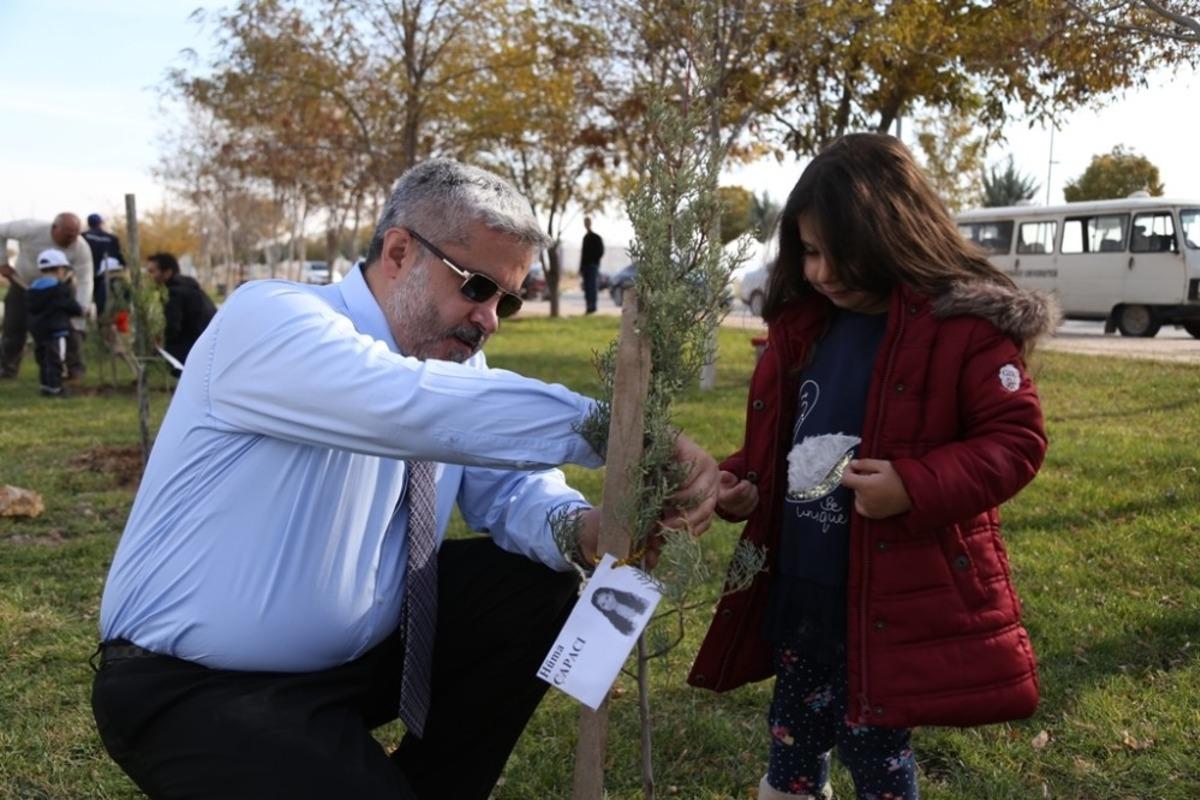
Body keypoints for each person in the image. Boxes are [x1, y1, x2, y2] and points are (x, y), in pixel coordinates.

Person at [92, 159, 719, 800]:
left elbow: (507, 490)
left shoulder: (454, 368)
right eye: (477, 287)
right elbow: (407, 405)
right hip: (197, 687)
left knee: (531, 585)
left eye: (508, 299)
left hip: (360, 665)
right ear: (398, 252)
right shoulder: (271, 320)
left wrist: (584, 529)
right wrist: (620, 430)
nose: (491, 319)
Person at [688, 134, 1055, 800]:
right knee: (793, 733)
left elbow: (1016, 441)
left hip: (887, 595)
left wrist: (913, 486)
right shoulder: (808, 325)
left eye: (839, 253)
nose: (822, 272)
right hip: (803, 586)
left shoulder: (963, 330)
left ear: (893, 235)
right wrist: (746, 482)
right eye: (808, 251)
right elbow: (792, 442)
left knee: (875, 747)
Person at [0, 214, 93, 380]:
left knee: (70, 329)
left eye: (75, 235)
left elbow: (86, 278)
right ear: (55, 228)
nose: (71, 239)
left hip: (60, 288)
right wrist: (2, 262)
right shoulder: (30, 228)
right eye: (67, 235)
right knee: (13, 326)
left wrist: (81, 306)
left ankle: (74, 369)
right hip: (23, 284)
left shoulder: (81, 247)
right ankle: (7, 369)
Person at [145, 252, 216, 374]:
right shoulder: (191, 287)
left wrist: (157, 346)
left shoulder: (174, 293)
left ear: (167, 272)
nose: (149, 276)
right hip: (209, 343)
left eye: (152, 271)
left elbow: (173, 327)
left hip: (192, 347)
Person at [27, 249, 84, 397]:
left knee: (43, 359)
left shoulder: (32, 289)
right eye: (63, 269)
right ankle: (56, 388)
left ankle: (45, 386)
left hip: (38, 331)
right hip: (56, 330)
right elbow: (70, 306)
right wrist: (81, 310)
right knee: (56, 358)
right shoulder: (60, 289)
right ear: (59, 269)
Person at [82, 213, 126, 313]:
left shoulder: (83, 236)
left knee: (86, 300)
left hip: (88, 272)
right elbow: (119, 256)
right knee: (103, 301)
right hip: (106, 274)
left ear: (89, 223)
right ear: (101, 223)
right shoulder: (112, 238)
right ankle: (102, 321)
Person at [580, 216, 604, 314]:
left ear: (590, 223)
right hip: (585, 266)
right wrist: (581, 267)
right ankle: (588, 307)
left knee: (592, 286)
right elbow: (583, 254)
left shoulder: (596, 237)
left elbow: (601, 251)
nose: (586, 224)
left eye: (587, 222)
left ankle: (592, 307)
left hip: (593, 266)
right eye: (585, 222)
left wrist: (594, 261)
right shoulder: (585, 238)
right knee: (586, 287)